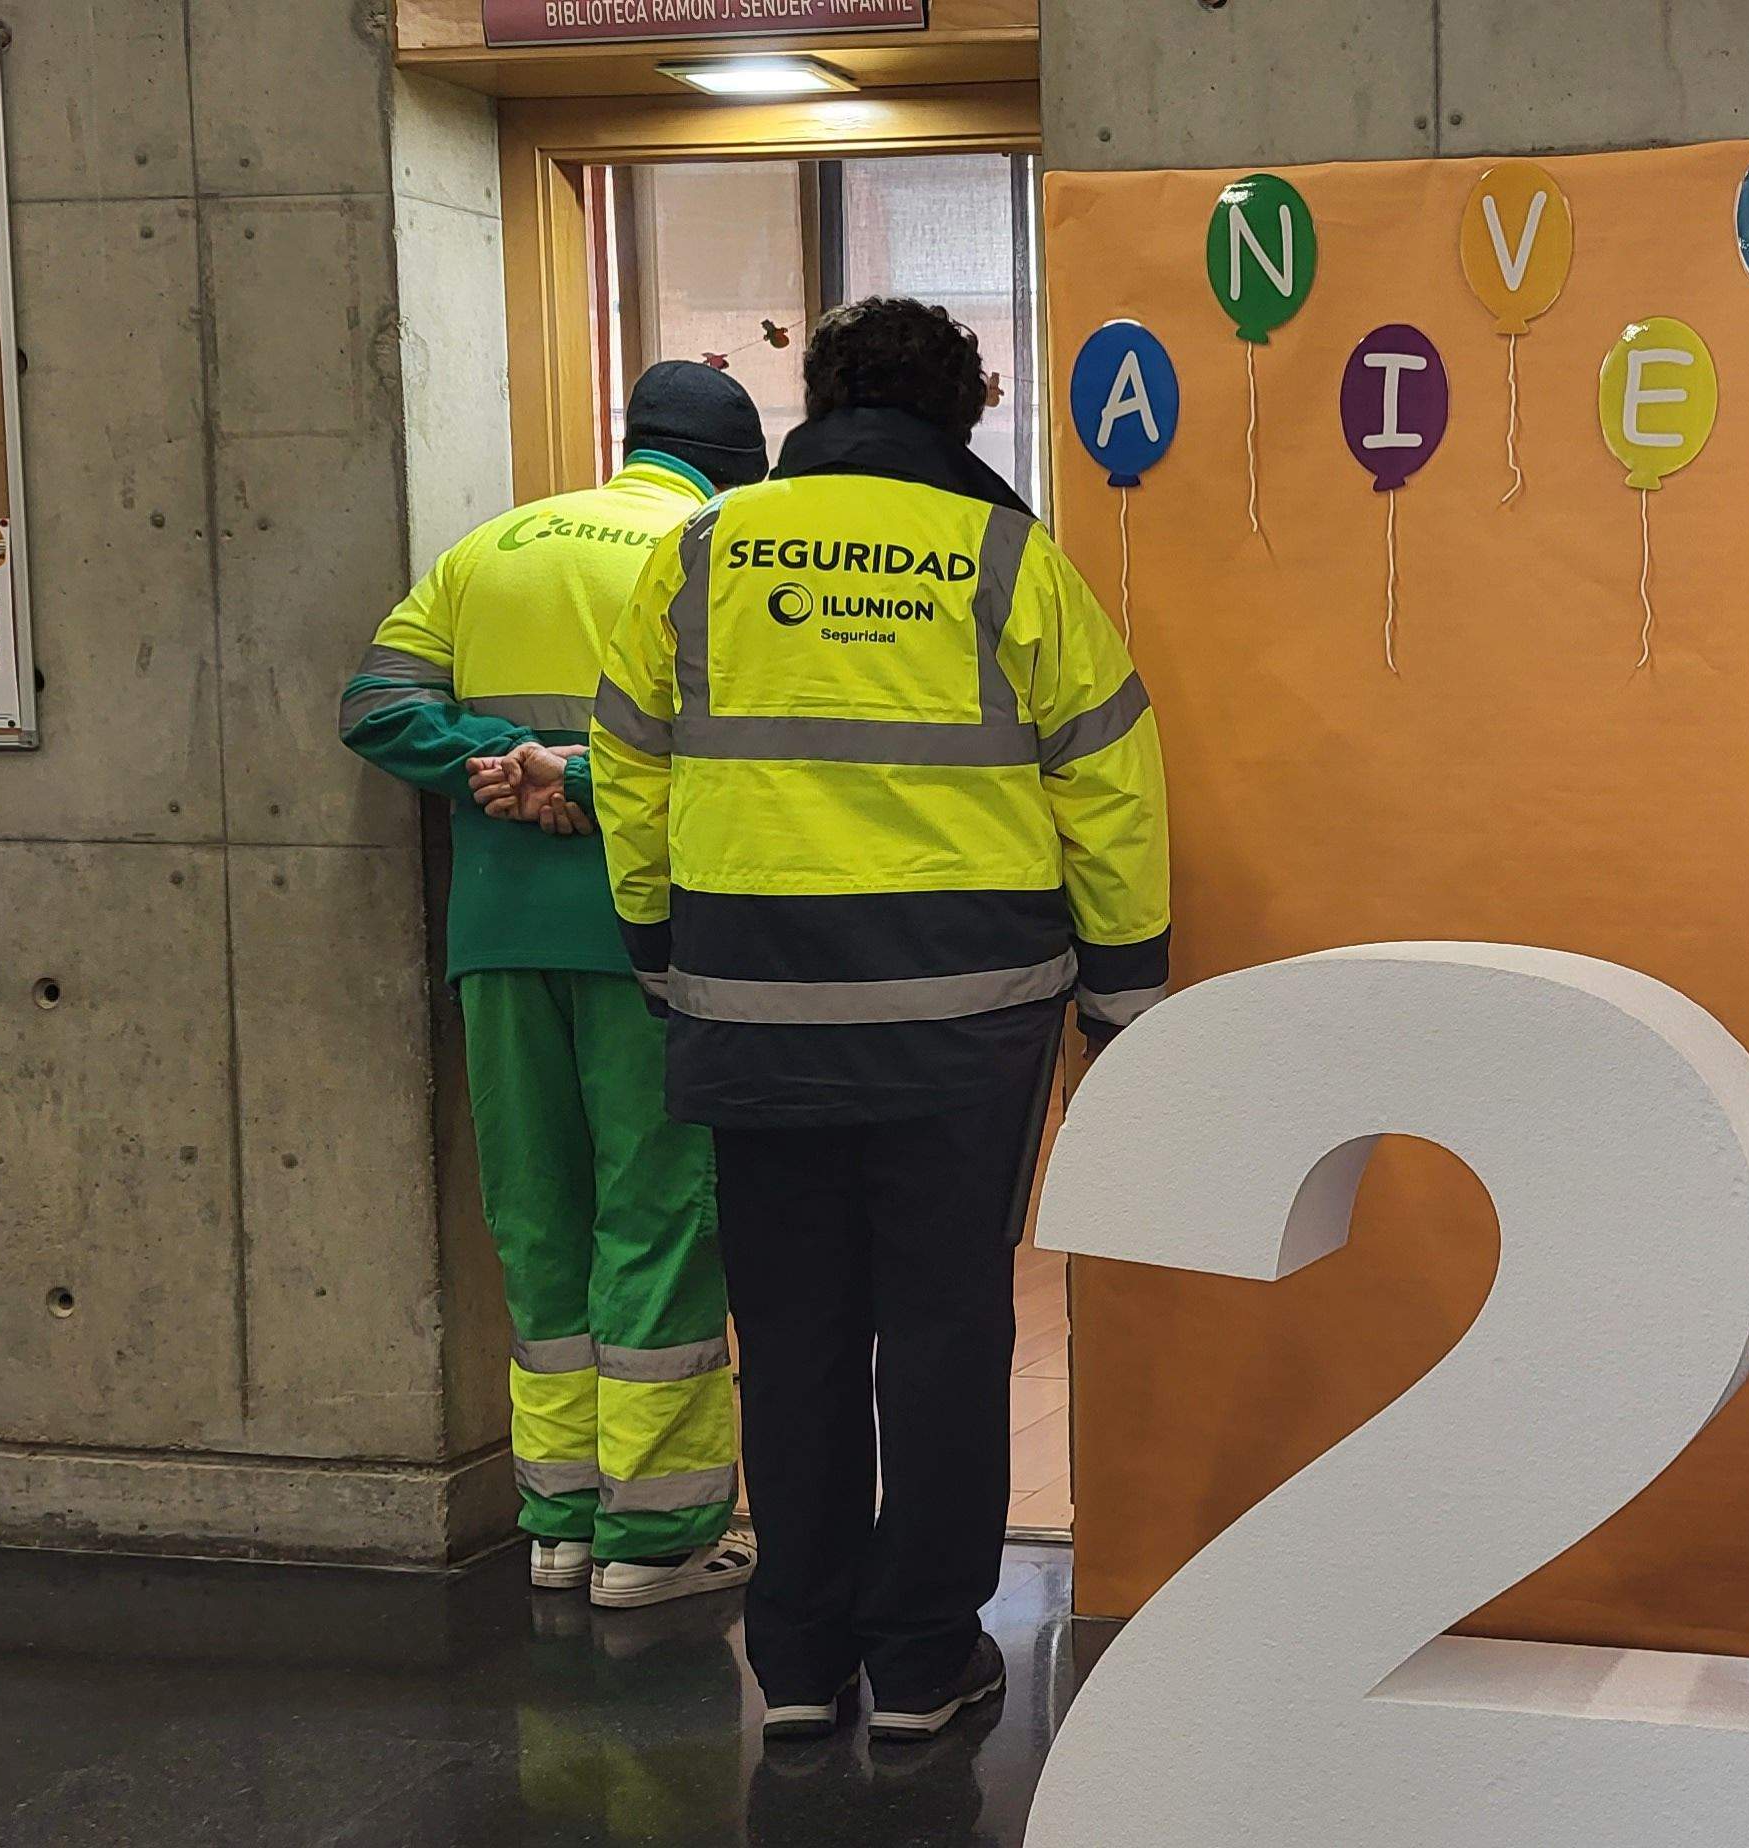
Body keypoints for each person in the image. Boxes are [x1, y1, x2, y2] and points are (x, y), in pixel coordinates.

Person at [584, 297, 1167, 1743]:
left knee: (789, 1335)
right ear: (963, 409)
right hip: (964, 1023)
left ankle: (793, 1663)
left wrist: (659, 942)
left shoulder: (702, 552)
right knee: (948, 1330)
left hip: (753, 1006)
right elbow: (1107, 775)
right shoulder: (1005, 558)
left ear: (820, 398)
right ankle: (921, 1662)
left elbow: (626, 763)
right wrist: (1126, 991)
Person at [342, 361, 773, 1610]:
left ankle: (559, 1524)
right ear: (736, 469)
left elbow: (375, 705)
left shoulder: (495, 547)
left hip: (497, 938)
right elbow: (741, 744)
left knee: (537, 1222)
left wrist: (497, 760)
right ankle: (659, 1543)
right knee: (658, 1216)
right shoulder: (714, 549)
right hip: (645, 937)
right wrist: (574, 774)